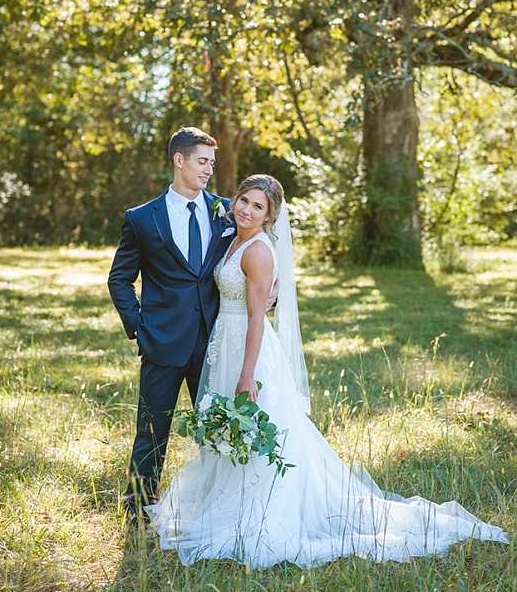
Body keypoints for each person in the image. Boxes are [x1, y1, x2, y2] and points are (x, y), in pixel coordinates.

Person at [146, 174, 509, 566]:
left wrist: (247, 374)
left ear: (270, 217)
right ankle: (229, 496)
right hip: (225, 342)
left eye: (257, 207)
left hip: (247, 349)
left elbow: (255, 319)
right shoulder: (232, 237)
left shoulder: (257, 251)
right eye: (244, 201)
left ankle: (257, 508)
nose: (246, 210)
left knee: (259, 426)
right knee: (239, 429)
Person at [107, 127, 237, 521]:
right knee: (151, 430)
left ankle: (217, 505)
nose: (208, 170)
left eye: (211, 164)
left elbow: (251, 256)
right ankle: (137, 508)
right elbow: (119, 278)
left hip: (214, 341)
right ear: (179, 160)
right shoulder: (142, 219)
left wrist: (271, 290)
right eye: (202, 161)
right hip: (162, 340)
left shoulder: (227, 211)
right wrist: (139, 327)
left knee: (217, 430)